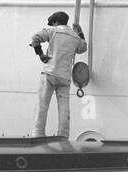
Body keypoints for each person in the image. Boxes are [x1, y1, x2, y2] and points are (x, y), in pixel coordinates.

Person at [29, 11, 88, 139]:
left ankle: (38, 134)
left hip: (49, 73)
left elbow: (35, 39)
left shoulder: (52, 31)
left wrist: (41, 55)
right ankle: (63, 135)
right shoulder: (74, 37)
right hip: (64, 76)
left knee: (42, 105)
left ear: (55, 22)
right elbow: (83, 48)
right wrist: (80, 32)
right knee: (64, 108)